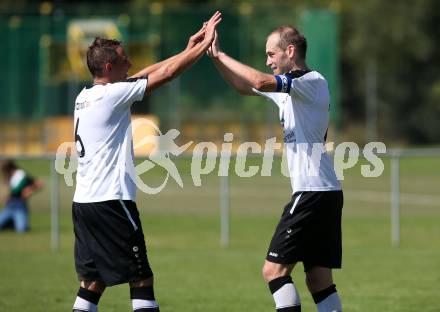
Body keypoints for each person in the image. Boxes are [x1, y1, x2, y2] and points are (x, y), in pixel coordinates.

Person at [71, 11, 221, 312]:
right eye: (124, 60)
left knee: (93, 282)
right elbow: (164, 75)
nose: (130, 64)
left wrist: (186, 50)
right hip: (112, 202)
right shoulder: (111, 96)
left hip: (84, 204)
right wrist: (203, 47)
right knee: (141, 279)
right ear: (110, 66)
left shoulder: (86, 96)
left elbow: (143, 76)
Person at [208, 26, 343, 312]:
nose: (268, 60)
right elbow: (245, 85)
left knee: (273, 271)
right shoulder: (288, 88)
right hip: (323, 193)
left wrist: (221, 53)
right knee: (319, 280)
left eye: (272, 54)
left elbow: (259, 79)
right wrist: (215, 58)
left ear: (290, 51)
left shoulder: (311, 81)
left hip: (312, 193)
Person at [0, 160, 43, 233]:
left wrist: (30, 189)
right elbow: (12, 192)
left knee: (22, 229)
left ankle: (15, 221)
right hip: (9, 206)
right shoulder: (9, 176)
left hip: (19, 205)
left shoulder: (20, 175)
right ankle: (11, 221)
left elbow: (39, 183)